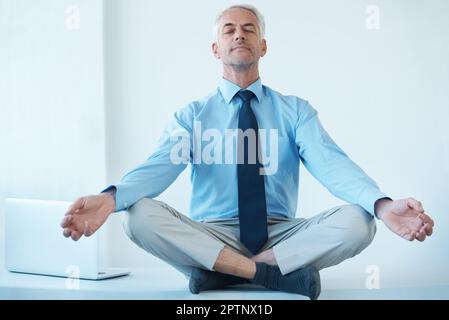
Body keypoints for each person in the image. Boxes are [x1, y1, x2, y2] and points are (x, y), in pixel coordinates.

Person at [60, 5, 434, 300]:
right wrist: (111, 199)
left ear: (263, 46)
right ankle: (266, 275)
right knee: (137, 215)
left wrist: (383, 207)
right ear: (215, 48)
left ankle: (225, 272)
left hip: (281, 236)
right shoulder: (191, 116)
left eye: (249, 29)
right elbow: (160, 166)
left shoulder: (296, 111)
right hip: (210, 235)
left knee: (359, 220)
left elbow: (331, 164)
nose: (239, 34)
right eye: (229, 29)